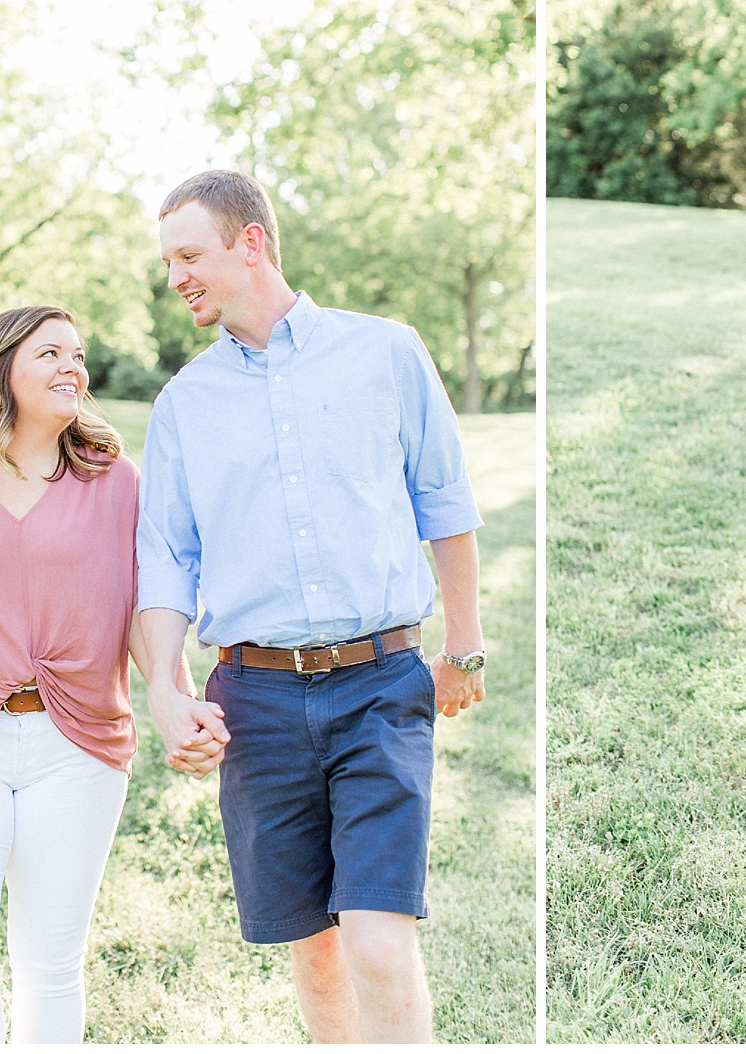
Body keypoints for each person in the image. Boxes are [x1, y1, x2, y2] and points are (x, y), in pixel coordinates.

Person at [135, 169, 488, 1043]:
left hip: (380, 684)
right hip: (253, 699)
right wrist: (167, 687)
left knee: (376, 939)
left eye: (190, 254)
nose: (176, 275)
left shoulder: (387, 352)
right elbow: (168, 560)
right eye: (168, 259)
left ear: (250, 241)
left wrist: (466, 646)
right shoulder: (185, 404)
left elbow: (443, 500)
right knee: (316, 948)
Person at [0, 305, 221, 1044]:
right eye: (49, 353)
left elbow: (141, 612)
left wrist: (174, 700)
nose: (71, 367)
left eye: (77, 354)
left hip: (79, 746)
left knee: (51, 962)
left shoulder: (117, 483)